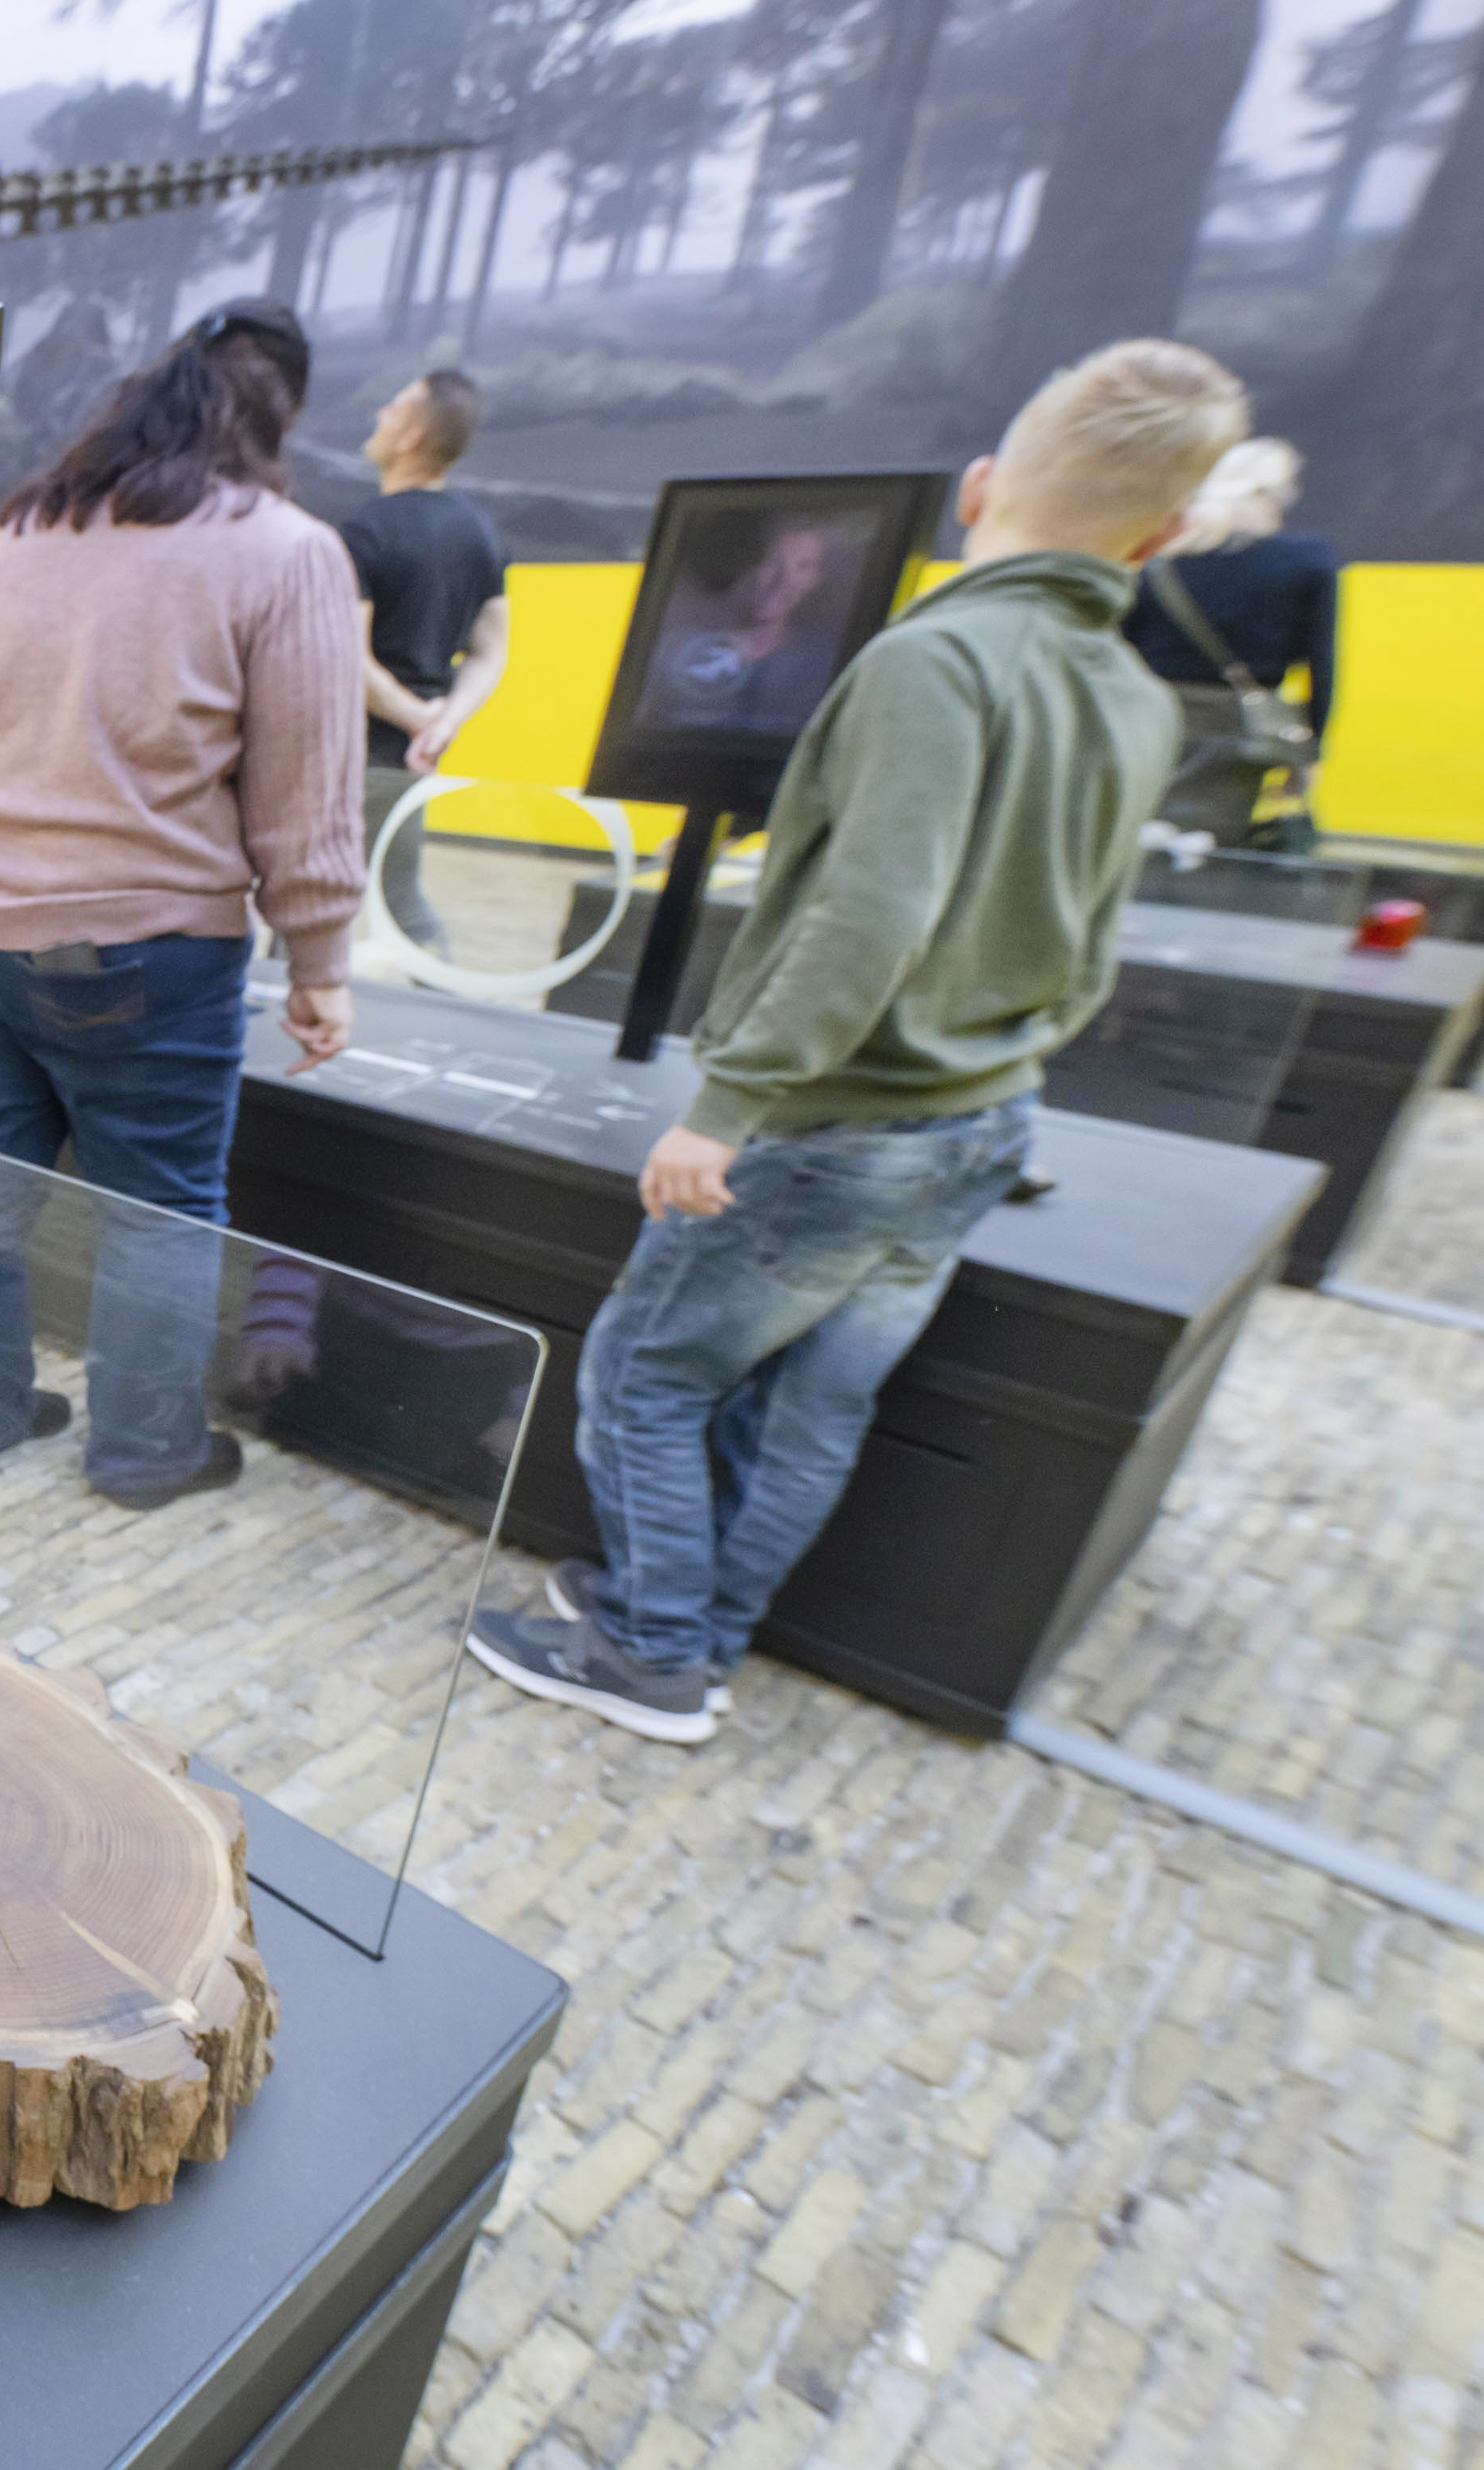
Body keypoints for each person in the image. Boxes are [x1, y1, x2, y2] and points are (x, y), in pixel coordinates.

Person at [467, 340, 1249, 1744]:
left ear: (982, 487)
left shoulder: (937, 660)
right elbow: (1091, 935)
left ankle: (652, 1651)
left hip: (837, 1127)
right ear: (1170, 530)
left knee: (648, 1370)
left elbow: (868, 911)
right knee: (813, 1405)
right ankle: (700, 1634)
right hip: (980, 1121)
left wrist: (731, 1100)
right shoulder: (1133, 696)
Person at [0, 300, 364, 1511]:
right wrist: (322, 956)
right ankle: (144, 1449)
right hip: (144, 947)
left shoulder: (16, 528)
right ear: (281, 415)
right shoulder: (283, 548)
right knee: (163, 1208)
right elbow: (305, 787)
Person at [340, 368, 509, 957]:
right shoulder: (480, 531)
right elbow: (491, 650)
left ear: (411, 436)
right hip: (412, 763)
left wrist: (418, 720)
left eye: (394, 406)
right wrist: (442, 722)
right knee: (403, 899)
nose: (381, 414)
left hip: (352, 759)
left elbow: (348, 661)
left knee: (311, 907)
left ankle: (292, 1031)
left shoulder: (366, 532)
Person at [1120, 434, 1341, 847]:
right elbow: (1321, 664)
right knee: (1214, 846)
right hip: (1240, 725)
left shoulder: (1163, 552)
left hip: (1148, 713)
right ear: (1277, 493)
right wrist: (1310, 749)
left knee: (1132, 834)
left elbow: (1121, 643)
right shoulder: (1309, 558)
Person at [639, 516, 851, 734]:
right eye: (772, 560)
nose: (782, 580)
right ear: (746, 564)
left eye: (803, 566)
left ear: (815, 581)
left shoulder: (825, 667)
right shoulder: (670, 651)